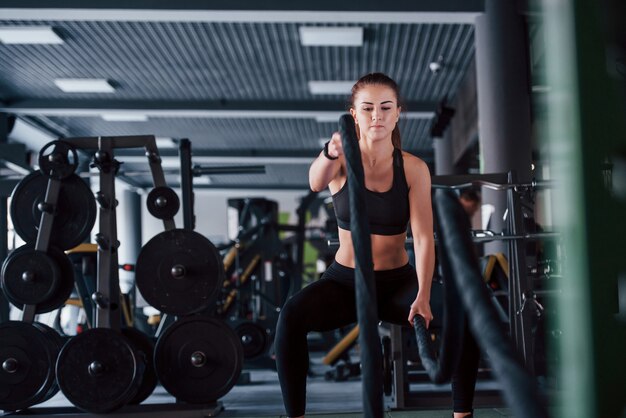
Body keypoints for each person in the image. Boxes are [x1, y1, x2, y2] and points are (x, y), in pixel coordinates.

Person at [274, 73, 478, 418]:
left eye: (385, 108)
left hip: (398, 283)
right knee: (291, 316)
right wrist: (330, 150)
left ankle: (462, 415)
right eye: (367, 108)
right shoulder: (339, 160)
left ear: (398, 113)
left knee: (467, 317)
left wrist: (423, 294)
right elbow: (314, 182)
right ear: (354, 114)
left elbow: (425, 236)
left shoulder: (413, 168)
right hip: (345, 283)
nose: (377, 116)